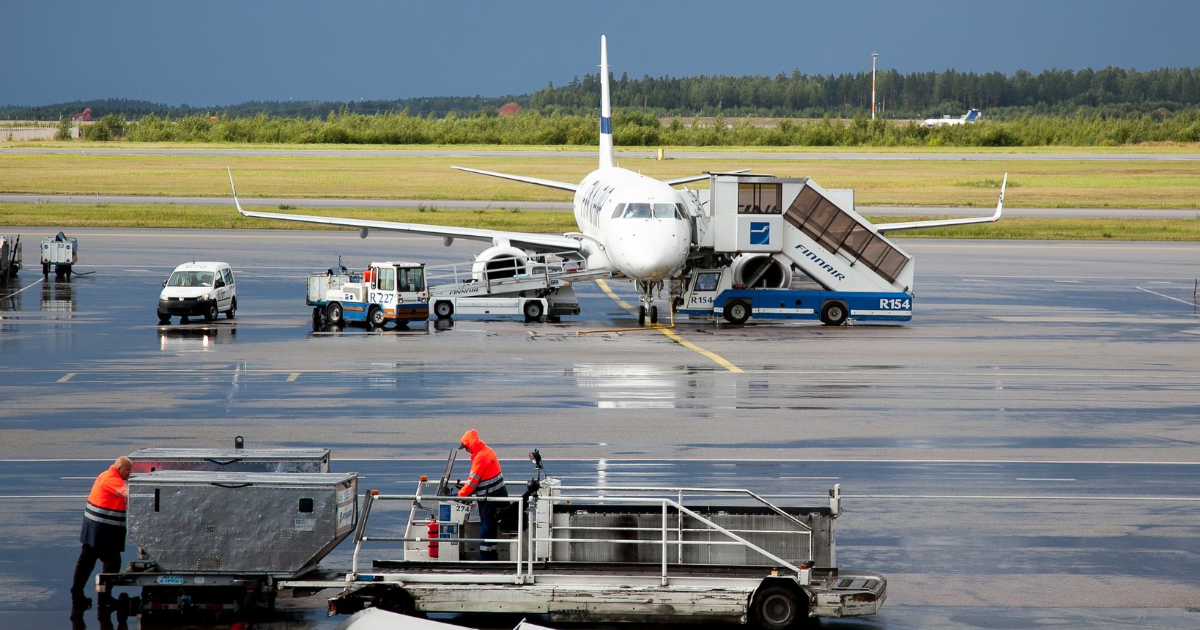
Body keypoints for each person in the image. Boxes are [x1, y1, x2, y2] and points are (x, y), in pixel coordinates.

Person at [70, 456, 132, 611]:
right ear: (119, 469)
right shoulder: (112, 479)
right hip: (103, 531)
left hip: (96, 529)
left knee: (88, 562)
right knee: (110, 563)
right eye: (128, 470)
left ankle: (81, 595)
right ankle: (102, 597)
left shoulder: (106, 475)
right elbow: (129, 494)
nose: (130, 474)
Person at [457, 429, 507, 561]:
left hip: (489, 498)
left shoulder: (480, 458)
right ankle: (491, 555)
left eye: (466, 447)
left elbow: (473, 481)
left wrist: (460, 495)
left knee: (486, 527)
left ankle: (485, 558)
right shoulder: (487, 451)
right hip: (497, 494)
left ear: (470, 445)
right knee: (490, 526)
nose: (466, 450)